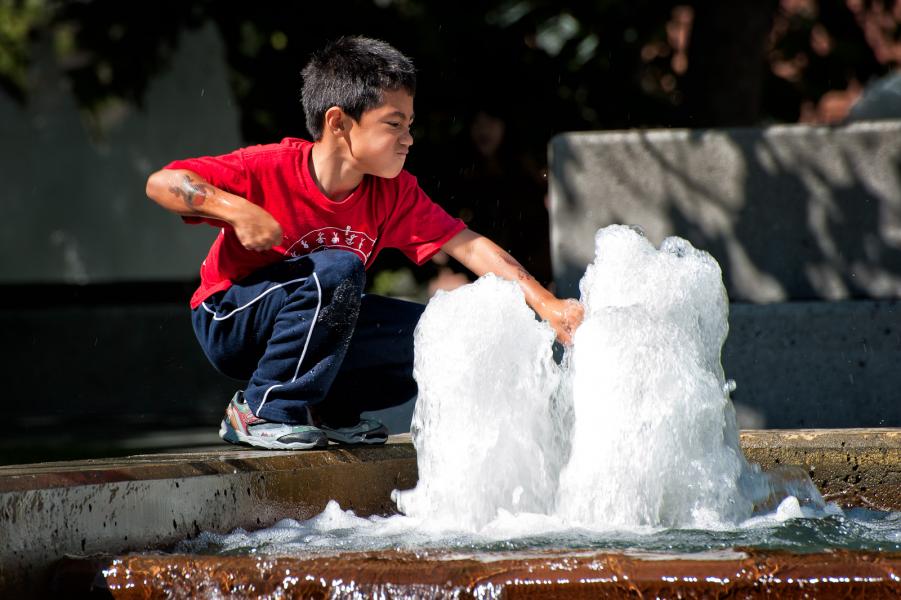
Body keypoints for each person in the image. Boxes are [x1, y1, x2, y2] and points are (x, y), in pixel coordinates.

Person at [145, 36, 583, 451]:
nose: (408, 139)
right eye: (394, 125)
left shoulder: (392, 192)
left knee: (434, 335)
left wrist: (548, 305)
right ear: (338, 122)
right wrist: (235, 210)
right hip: (229, 318)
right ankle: (261, 411)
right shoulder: (269, 167)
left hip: (308, 319)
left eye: (409, 125)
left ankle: (329, 411)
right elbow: (161, 183)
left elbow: (467, 245)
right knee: (338, 269)